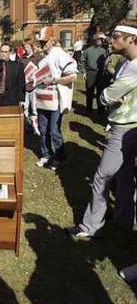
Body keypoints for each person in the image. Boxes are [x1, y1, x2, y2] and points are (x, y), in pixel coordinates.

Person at [67, 24, 137, 238]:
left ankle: (90, 226)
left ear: (131, 40)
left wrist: (109, 97)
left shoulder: (134, 68)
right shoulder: (126, 63)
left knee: (102, 177)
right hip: (124, 125)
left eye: (116, 37)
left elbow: (105, 96)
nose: (110, 40)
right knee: (124, 177)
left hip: (126, 128)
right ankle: (124, 219)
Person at [35, 37, 77, 171]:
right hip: (42, 99)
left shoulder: (60, 54)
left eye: (44, 42)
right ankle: (46, 154)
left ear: (52, 41)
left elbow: (73, 76)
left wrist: (54, 80)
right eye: (40, 42)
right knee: (43, 130)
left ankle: (59, 156)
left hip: (55, 100)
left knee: (54, 130)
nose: (42, 45)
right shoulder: (43, 59)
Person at [80, 33, 108, 114]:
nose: (100, 41)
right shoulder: (87, 51)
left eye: (101, 40)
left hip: (100, 73)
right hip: (90, 73)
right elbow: (82, 61)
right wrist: (84, 72)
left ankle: (101, 109)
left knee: (100, 91)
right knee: (89, 92)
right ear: (95, 40)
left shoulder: (104, 51)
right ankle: (88, 109)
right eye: (99, 39)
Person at [20, 42, 43, 135]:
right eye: (25, 47)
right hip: (25, 87)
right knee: (24, 109)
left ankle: (36, 128)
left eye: (28, 47)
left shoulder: (37, 58)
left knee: (34, 109)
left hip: (34, 87)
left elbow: (40, 71)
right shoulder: (21, 60)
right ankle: (25, 127)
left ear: (31, 48)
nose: (26, 49)